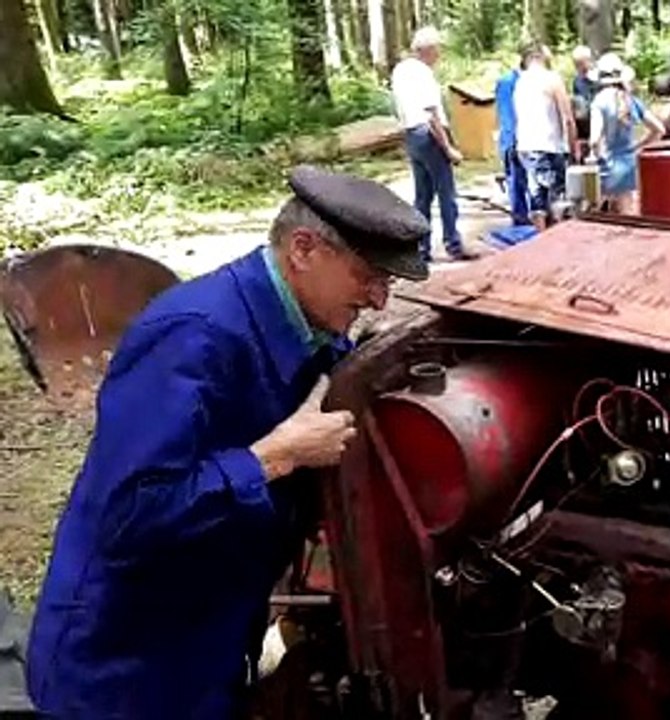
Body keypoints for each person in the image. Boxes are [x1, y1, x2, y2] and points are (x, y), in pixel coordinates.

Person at [26, 165, 429, 719]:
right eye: (367, 276)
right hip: (126, 664)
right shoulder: (193, 336)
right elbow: (130, 515)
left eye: (389, 282)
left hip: (211, 636)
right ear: (303, 249)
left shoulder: (309, 324)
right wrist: (276, 456)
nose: (380, 299)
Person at [390, 27, 473, 263]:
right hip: (429, 135)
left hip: (411, 134)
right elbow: (432, 113)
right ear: (428, 49)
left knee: (422, 196)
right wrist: (448, 148)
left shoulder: (400, 70)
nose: (439, 55)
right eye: (437, 49)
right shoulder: (422, 73)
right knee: (446, 193)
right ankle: (453, 244)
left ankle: (421, 248)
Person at [588, 53, 665, 214]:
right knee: (627, 216)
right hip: (629, 166)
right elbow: (659, 129)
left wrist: (595, 155)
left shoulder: (599, 101)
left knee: (598, 217)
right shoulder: (631, 100)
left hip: (607, 167)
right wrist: (639, 146)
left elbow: (594, 139)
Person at [515, 43, 577, 229]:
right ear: (541, 56)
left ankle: (540, 237)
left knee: (537, 199)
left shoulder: (520, 81)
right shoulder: (552, 79)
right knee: (557, 199)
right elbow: (567, 118)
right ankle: (555, 237)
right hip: (549, 145)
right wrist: (573, 147)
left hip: (526, 146)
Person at [495, 55, 530, 226]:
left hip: (517, 139)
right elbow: (508, 114)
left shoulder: (510, 81)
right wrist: (515, 140)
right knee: (518, 185)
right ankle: (522, 223)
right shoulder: (510, 83)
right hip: (515, 140)